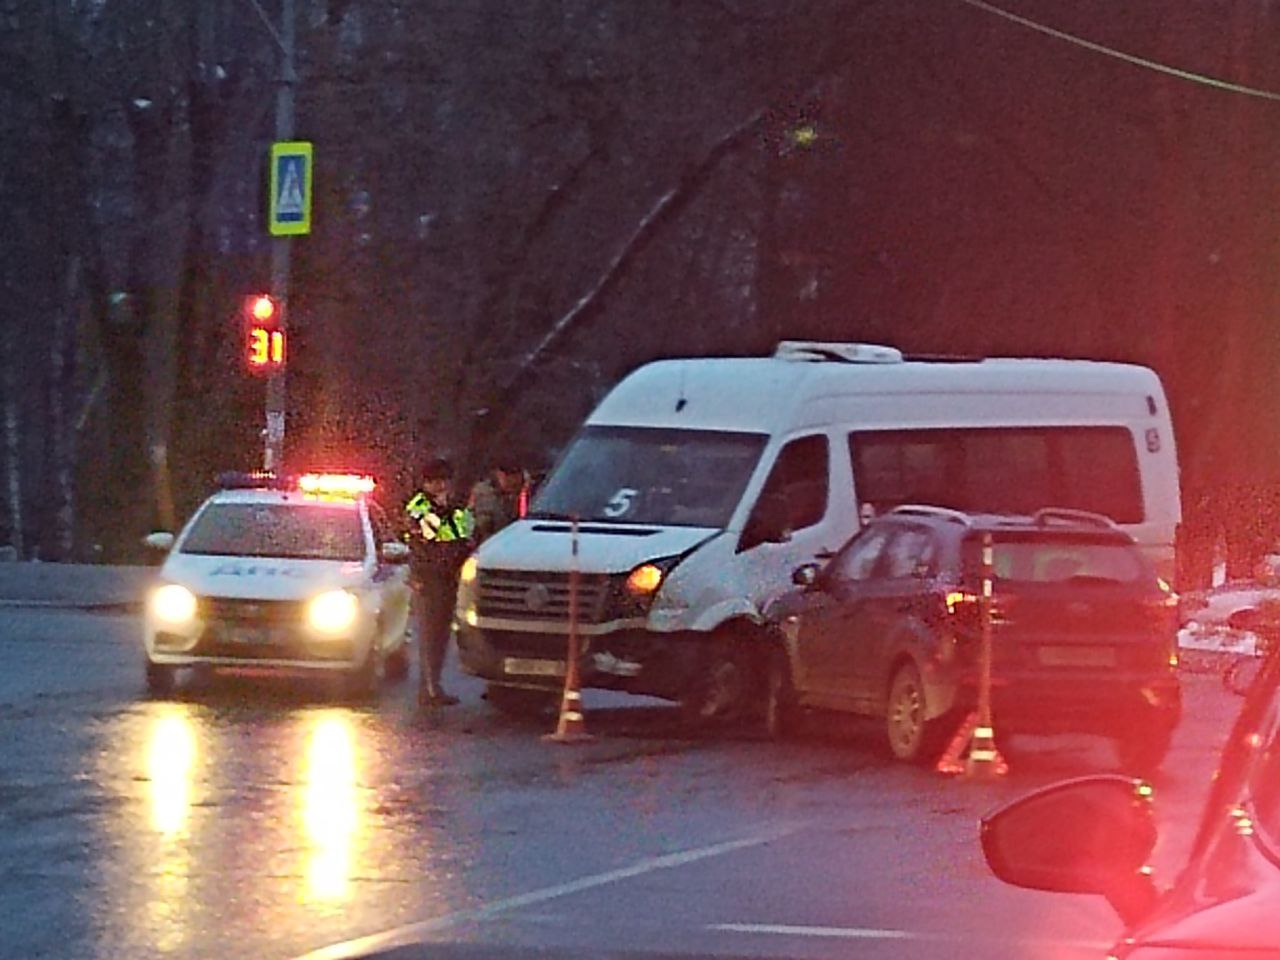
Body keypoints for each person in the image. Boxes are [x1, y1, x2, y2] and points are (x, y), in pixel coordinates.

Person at [403, 456, 474, 707]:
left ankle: (435, 685)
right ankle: (428, 689)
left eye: (444, 481)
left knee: (442, 636)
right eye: (436, 482)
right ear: (426, 483)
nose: (441, 486)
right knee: (430, 636)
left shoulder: (455, 507)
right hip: (429, 578)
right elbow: (428, 537)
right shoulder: (418, 506)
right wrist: (443, 510)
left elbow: (465, 533)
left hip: (450, 577)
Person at [469, 457, 529, 545]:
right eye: (508, 474)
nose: (512, 480)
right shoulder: (485, 493)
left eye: (516, 474)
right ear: (499, 474)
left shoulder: (533, 491)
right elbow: (483, 525)